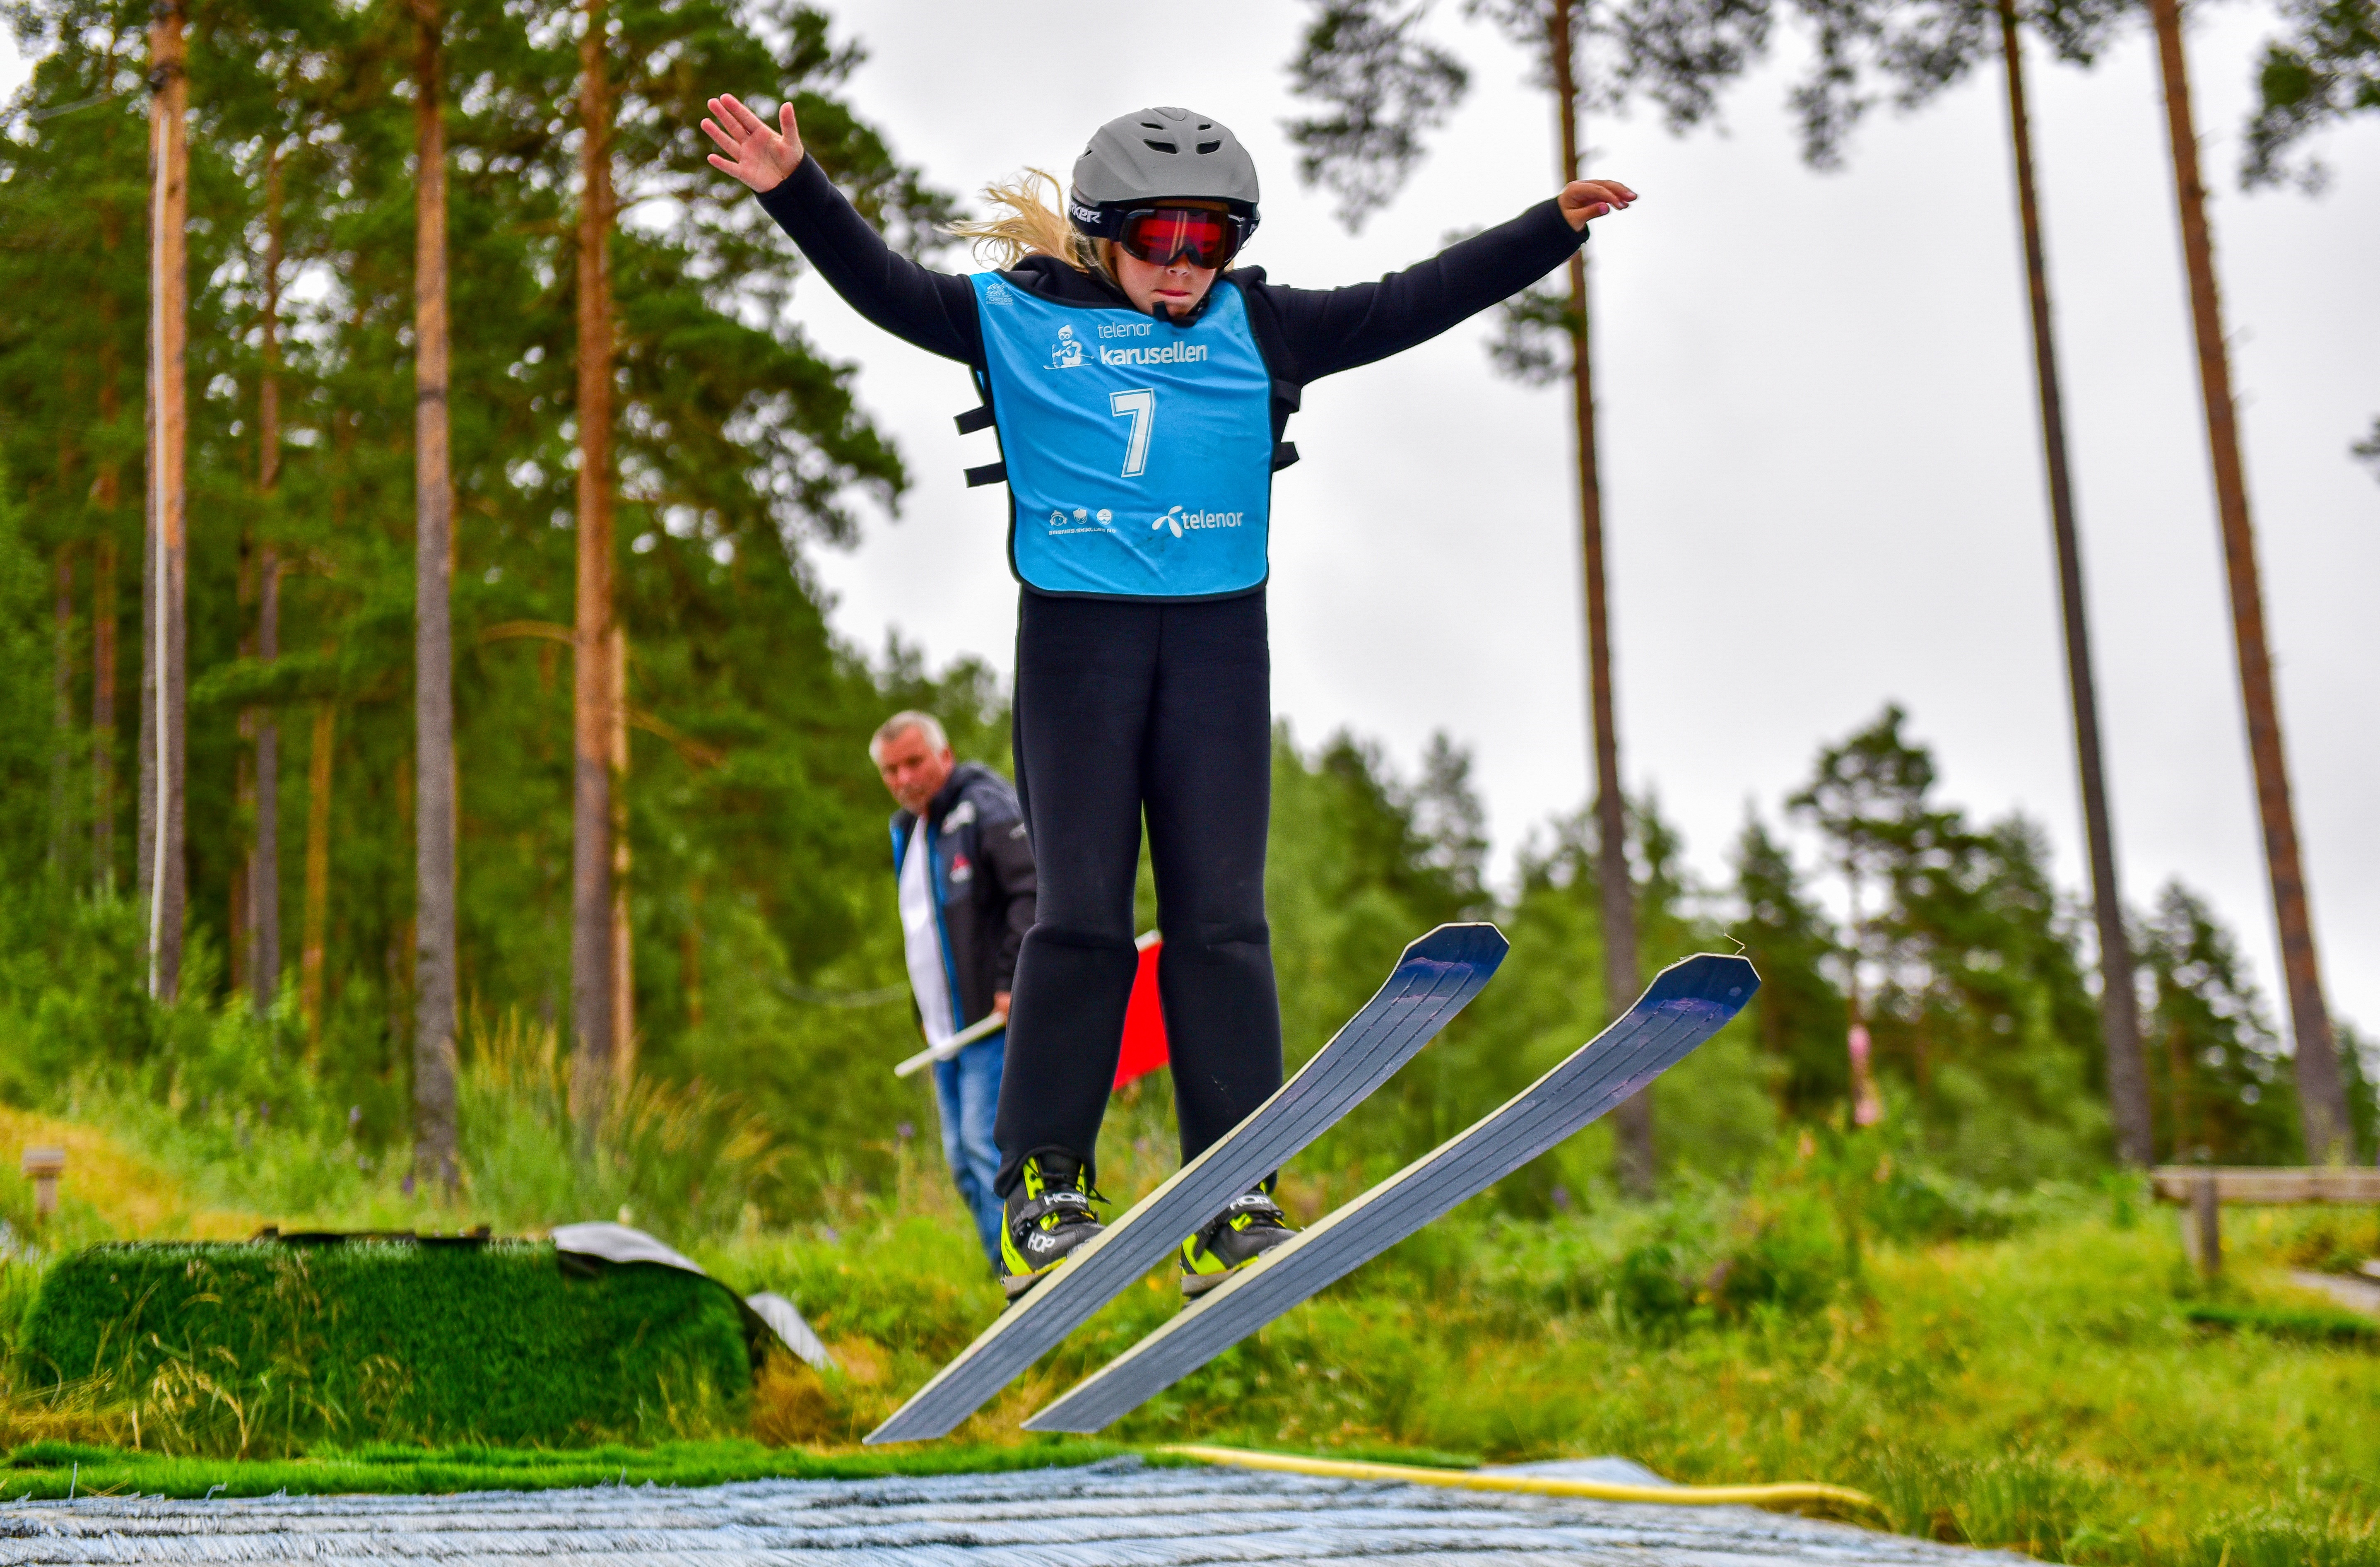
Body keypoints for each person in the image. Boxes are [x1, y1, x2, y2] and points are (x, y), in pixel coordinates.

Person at [706, 95, 1636, 1300]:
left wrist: (1543, 230)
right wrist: (795, 188)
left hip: (1212, 652)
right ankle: (1042, 1188)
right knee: (1080, 917)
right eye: (1164, 242)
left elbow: (1408, 300)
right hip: (1077, 650)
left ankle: (1230, 1194)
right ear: (1104, 235)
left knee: (1221, 924)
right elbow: (884, 288)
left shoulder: (1262, 328)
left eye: (1214, 243)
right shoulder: (1017, 318)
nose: (1189, 269)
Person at [872, 711, 1036, 1266]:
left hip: (993, 1022)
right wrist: (923, 1011)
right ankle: (1011, 1274)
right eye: (891, 770)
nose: (904, 778)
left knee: (985, 1150)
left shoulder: (983, 808)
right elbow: (923, 932)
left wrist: (1013, 979)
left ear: (945, 755)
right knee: (963, 1165)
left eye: (914, 762)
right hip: (947, 1035)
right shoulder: (910, 832)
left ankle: (1031, 1279)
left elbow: (1031, 889)